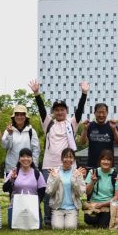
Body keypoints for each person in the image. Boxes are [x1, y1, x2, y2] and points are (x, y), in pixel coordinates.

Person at [28, 79, 88, 226]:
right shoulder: (48, 123)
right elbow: (41, 109)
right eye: (57, 110)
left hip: (69, 164)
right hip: (50, 164)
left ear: (66, 111)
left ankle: (71, 216)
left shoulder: (72, 124)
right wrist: (36, 94)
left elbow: (79, 110)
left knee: (71, 190)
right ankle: (49, 220)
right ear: (53, 112)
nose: (59, 112)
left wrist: (84, 93)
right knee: (50, 193)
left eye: (62, 109)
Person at [3, 148, 46, 229]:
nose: (25, 159)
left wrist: (35, 203)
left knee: (36, 227)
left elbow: (42, 191)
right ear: (19, 159)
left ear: (32, 159)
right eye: (23, 156)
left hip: (32, 206)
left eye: (28, 156)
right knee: (13, 226)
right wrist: (12, 179)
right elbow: (4, 189)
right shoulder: (14, 172)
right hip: (15, 206)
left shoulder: (37, 173)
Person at [45, 148, 87, 230]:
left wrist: (75, 178)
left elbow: (80, 193)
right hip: (58, 208)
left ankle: (74, 220)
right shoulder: (54, 172)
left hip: (72, 208)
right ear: (61, 158)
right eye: (66, 157)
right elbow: (49, 192)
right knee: (57, 228)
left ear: (74, 159)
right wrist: (56, 178)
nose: (68, 159)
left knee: (70, 227)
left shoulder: (77, 173)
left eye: (71, 157)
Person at [84, 149, 118, 228]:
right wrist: (92, 182)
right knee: (89, 220)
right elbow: (87, 192)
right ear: (100, 160)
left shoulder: (117, 175)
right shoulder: (93, 172)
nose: (106, 162)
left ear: (112, 162)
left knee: (103, 224)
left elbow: (117, 197)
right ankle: (97, 220)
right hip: (94, 204)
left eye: (108, 160)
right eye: (103, 159)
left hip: (108, 205)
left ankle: (103, 219)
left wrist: (102, 204)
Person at [1, 105, 41, 177]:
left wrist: (34, 166)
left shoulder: (31, 131)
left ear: (26, 117)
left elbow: (36, 150)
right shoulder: (8, 130)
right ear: (14, 117)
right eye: (17, 114)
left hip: (28, 168)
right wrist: (10, 134)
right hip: (11, 168)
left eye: (22, 114)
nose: (19, 117)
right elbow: (5, 146)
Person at [80, 103, 118, 168]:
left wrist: (114, 130)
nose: (101, 115)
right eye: (99, 112)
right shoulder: (90, 125)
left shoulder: (112, 125)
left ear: (107, 113)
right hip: (92, 165)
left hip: (108, 165)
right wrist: (85, 129)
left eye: (103, 112)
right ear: (94, 113)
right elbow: (82, 142)